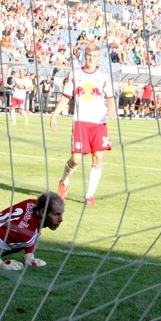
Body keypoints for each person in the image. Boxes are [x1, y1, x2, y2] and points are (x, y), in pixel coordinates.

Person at [50, 43, 117, 207]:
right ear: (84, 56)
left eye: (94, 56)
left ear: (98, 58)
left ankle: (89, 195)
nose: (91, 58)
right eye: (89, 55)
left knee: (98, 156)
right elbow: (66, 97)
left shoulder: (103, 76)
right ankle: (64, 181)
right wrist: (54, 115)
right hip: (80, 122)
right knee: (76, 159)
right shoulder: (75, 74)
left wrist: (112, 111)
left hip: (99, 122)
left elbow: (110, 97)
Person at [0, 192, 64, 270]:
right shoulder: (25, 235)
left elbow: (32, 228)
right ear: (42, 212)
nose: (61, 219)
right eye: (56, 214)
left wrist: (29, 255)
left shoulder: (32, 203)